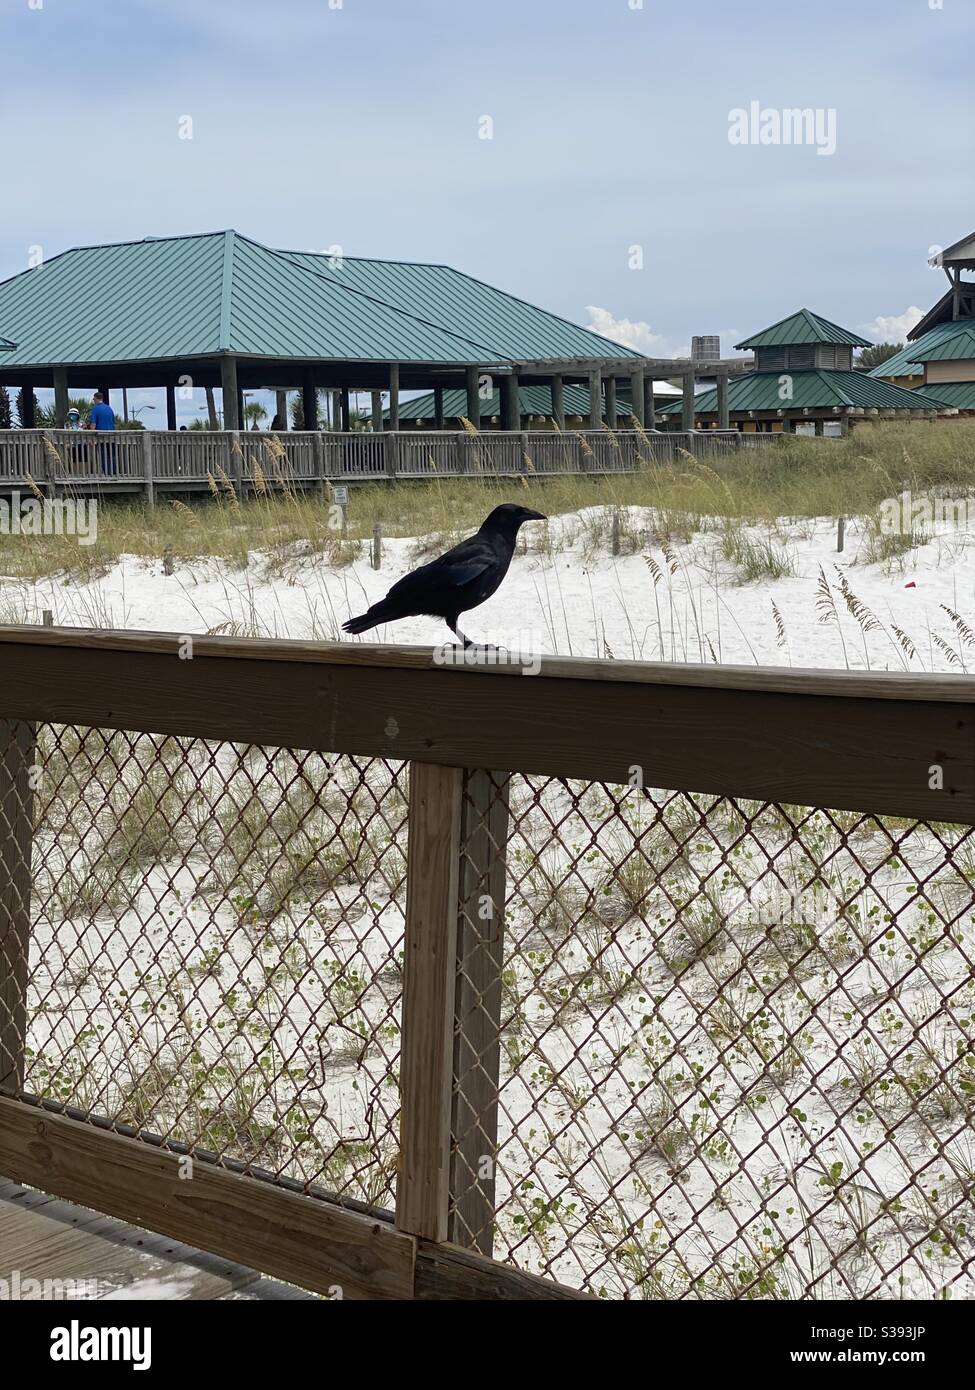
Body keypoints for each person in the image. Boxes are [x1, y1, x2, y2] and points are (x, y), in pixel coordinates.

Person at [87, 391, 117, 475]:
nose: (93, 400)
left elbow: (93, 424)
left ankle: (107, 474)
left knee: (104, 457)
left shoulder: (95, 409)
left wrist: (92, 438)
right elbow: (113, 423)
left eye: (94, 398)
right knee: (112, 456)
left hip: (101, 437)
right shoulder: (109, 408)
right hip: (111, 437)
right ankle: (114, 473)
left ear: (96, 399)